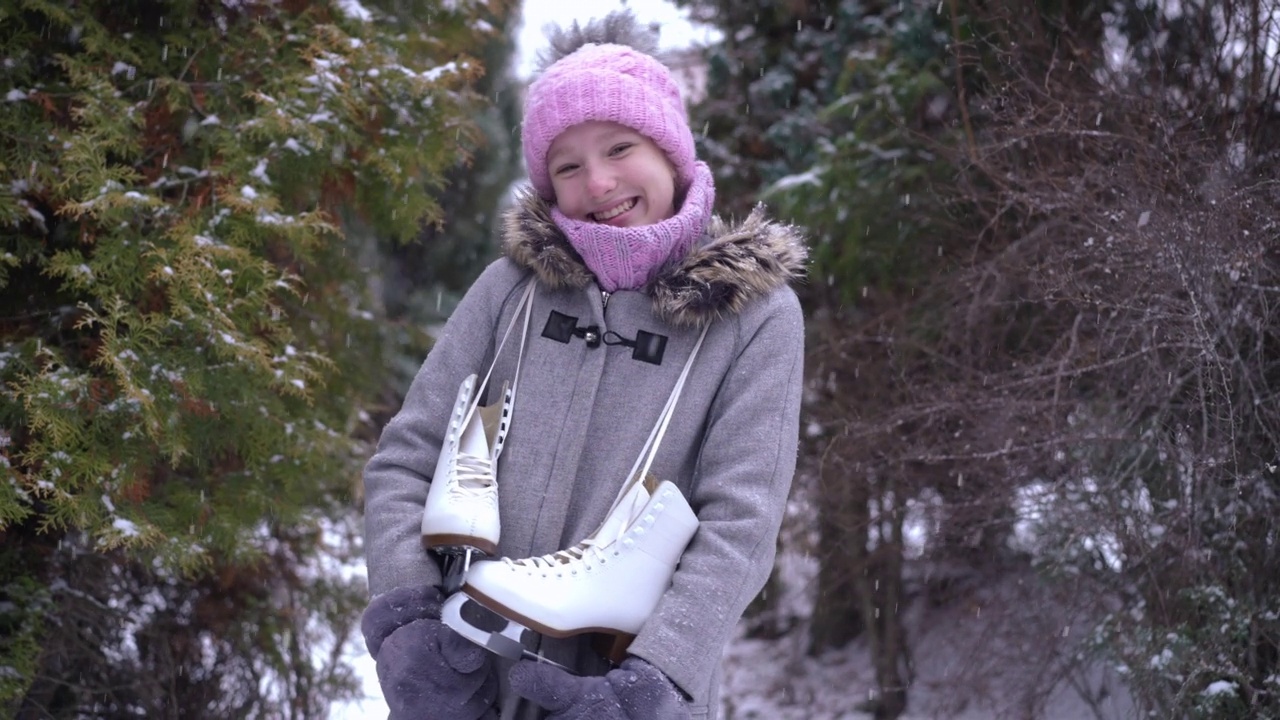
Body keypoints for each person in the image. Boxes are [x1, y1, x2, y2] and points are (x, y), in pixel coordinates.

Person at [359, 11, 806, 720]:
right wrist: (406, 622)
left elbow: (740, 528)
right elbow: (404, 459)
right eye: (568, 165)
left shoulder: (754, 318)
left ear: (671, 152)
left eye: (620, 147)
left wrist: (655, 679)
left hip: (621, 689)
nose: (597, 183)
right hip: (463, 681)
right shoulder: (510, 290)